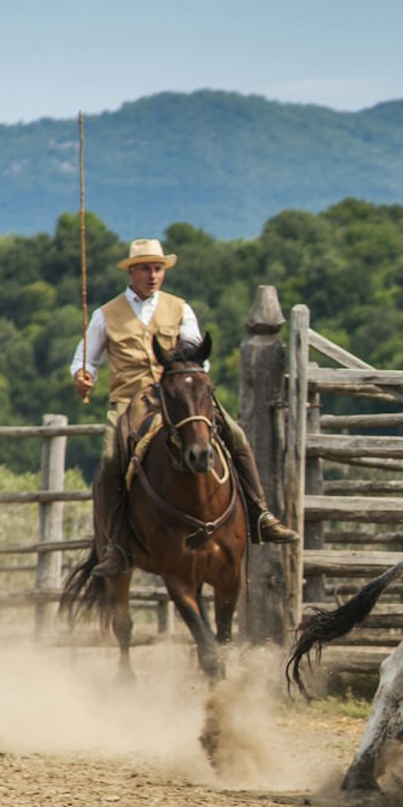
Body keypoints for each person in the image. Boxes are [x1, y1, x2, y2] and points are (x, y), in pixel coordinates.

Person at [72, 238, 299, 578]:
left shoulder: (180, 308)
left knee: (235, 435)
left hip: (181, 394)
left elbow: (196, 354)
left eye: (158, 268)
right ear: (132, 271)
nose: (153, 275)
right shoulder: (105, 315)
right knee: (110, 460)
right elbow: (84, 360)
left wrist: (191, 383)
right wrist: (83, 376)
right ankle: (117, 544)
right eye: (146, 268)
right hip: (131, 399)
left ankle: (260, 514)